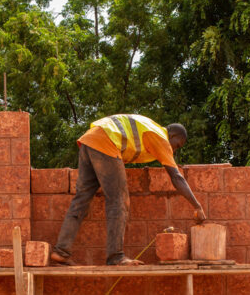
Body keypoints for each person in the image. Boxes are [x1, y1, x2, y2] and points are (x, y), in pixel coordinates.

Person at [50, 114, 207, 267]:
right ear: (172, 135)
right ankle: (116, 256)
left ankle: (61, 251)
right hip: (106, 142)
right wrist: (197, 206)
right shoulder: (160, 136)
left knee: (82, 199)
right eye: (177, 145)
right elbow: (177, 177)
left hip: (90, 140)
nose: (174, 150)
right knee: (119, 200)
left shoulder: (150, 127)